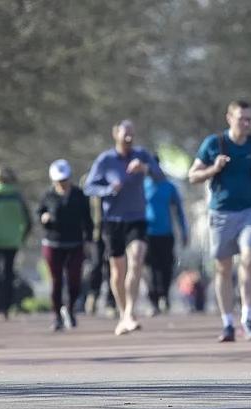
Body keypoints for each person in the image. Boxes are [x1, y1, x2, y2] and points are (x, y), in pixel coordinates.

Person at [188, 100, 251, 342]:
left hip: (250, 211)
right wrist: (213, 169)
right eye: (241, 118)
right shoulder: (214, 144)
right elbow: (193, 175)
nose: (246, 123)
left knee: (249, 259)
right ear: (229, 118)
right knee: (223, 268)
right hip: (221, 213)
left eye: (249, 119)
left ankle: (247, 316)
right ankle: (227, 322)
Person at [83, 120, 164, 335]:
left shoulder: (142, 155)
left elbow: (160, 175)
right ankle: (122, 313)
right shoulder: (106, 160)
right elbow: (89, 186)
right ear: (115, 134)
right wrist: (109, 189)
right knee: (117, 271)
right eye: (125, 134)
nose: (129, 138)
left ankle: (130, 311)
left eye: (131, 134)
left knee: (136, 260)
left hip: (137, 218)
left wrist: (145, 168)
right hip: (113, 221)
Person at [37, 159, 93, 331]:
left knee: (74, 280)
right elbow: (39, 213)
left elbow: (87, 219)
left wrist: (89, 240)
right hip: (53, 243)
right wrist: (43, 218)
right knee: (56, 281)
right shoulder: (48, 196)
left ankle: (70, 309)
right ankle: (56, 316)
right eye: (58, 180)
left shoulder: (79, 195)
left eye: (64, 179)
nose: (62, 183)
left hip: (75, 242)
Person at [0, 165, 32, 320]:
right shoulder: (17, 195)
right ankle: (5, 307)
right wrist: (22, 236)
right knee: (8, 273)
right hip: (12, 240)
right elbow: (28, 220)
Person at [144, 156, 189, 315]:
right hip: (147, 234)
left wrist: (184, 231)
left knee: (166, 267)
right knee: (150, 268)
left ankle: (164, 295)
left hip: (166, 233)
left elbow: (179, 211)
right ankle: (153, 299)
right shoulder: (142, 186)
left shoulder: (169, 187)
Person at [79, 173, 117, 318]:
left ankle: (110, 302)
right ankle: (93, 295)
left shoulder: (110, 182)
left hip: (111, 231)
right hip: (94, 234)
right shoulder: (86, 182)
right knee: (96, 265)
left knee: (111, 266)